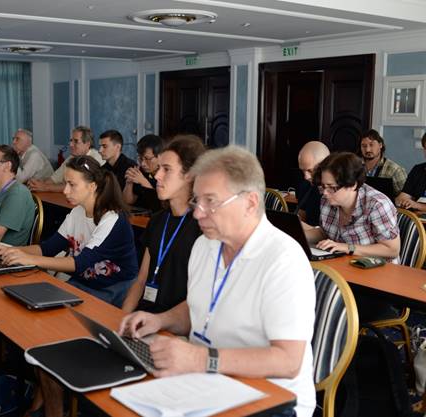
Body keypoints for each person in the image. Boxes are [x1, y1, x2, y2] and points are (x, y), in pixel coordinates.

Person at [120, 145, 316, 417]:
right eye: (196, 201)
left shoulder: (283, 260)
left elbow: (287, 361)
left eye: (210, 202)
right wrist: (160, 320)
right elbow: (200, 306)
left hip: (271, 396)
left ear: (250, 202)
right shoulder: (205, 245)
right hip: (209, 379)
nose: (198, 213)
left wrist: (199, 358)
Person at [0, 155, 138, 305]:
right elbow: (48, 248)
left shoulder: (112, 219)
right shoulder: (77, 212)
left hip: (111, 289)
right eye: (65, 183)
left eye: (72, 185)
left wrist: (29, 259)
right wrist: (11, 250)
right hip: (84, 284)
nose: (65, 191)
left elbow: (79, 263)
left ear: (92, 186)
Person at [121, 135, 204, 314]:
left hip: (177, 325)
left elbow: (200, 300)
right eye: (159, 169)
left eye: (166, 170)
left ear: (189, 176)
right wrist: (123, 317)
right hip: (145, 315)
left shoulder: (203, 227)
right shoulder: (158, 220)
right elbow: (141, 280)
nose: (157, 176)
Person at [305, 152, 400, 261]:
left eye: (332, 187)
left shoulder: (377, 204)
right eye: (323, 186)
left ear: (353, 184)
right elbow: (325, 232)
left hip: (377, 269)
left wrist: (348, 247)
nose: (325, 193)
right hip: (342, 264)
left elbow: (392, 250)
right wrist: (298, 236)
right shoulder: (328, 200)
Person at [28, 126, 104, 192]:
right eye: (71, 140)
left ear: (87, 144)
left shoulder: (96, 159)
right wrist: (37, 184)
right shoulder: (71, 158)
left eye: (76, 141)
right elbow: (54, 179)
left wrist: (45, 187)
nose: (71, 144)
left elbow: (77, 186)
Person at [123, 134, 163, 212]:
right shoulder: (141, 171)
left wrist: (143, 181)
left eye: (147, 159)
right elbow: (128, 201)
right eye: (140, 159)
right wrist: (129, 183)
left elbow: (159, 206)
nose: (143, 164)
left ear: (160, 157)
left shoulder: (166, 175)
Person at [360, 129, 406, 197]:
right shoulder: (353, 166)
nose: (367, 149)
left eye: (371, 145)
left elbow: (405, 197)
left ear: (380, 145)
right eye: (364, 146)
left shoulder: (395, 170)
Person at [296, 141, 329, 227]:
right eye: (302, 171)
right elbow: (301, 215)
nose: (306, 177)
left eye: (310, 171)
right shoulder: (305, 185)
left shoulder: (340, 191)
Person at [396, 132, 426, 210]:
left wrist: (416, 205)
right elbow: (402, 198)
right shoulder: (417, 170)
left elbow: (414, 204)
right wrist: (402, 201)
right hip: (415, 219)